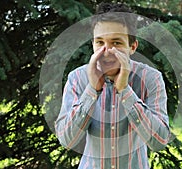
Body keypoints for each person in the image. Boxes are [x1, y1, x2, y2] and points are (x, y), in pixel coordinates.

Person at [55, 2, 170, 169]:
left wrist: (125, 91)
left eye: (116, 43)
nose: (107, 51)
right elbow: (67, 140)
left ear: (132, 46)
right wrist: (92, 91)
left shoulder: (151, 78)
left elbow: (160, 141)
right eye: (100, 42)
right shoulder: (77, 78)